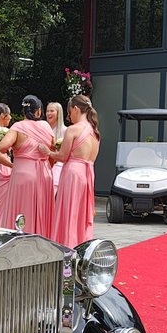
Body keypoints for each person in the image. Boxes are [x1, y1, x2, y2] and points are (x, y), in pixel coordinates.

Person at [0, 94, 54, 237]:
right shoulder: (46, 126)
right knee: (42, 210)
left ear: (23, 111)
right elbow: (53, 151)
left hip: (23, 173)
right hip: (45, 173)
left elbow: (2, 147)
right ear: (39, 111)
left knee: (21, 209)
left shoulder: (18, 126)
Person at [47, 95, 100, 247]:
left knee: (69, 213)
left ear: (76, 109)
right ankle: (81, 244)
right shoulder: (95, 132)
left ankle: (67, 247)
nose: (69, 116)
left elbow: (62, 156)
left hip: (73, 173)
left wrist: (48, 152)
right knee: (80, 214)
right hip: (87, 175)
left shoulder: (74, 129)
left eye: (70, 112)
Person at [46, 101, 66, 194]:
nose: (48, 113)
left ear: (59, 113)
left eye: (52, 111)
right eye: (47, 111)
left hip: (58, 167)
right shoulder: (44, 129)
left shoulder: (65, 131)